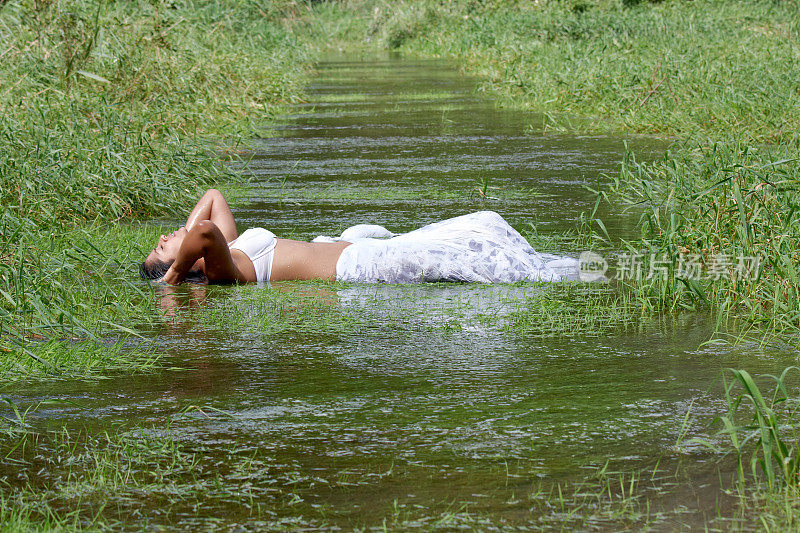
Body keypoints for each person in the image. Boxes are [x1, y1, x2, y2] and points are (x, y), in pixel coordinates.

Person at [140, 189, 579, 285]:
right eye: (160, 247)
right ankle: (590, 271)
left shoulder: (229, 250)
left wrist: (174, 255)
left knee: (478, 229)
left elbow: (212, 199)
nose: (165, 235)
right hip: (355, 268)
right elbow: (202, 230)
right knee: (472, 260)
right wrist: (172, 276)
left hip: (361, 251)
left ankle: (570, 266)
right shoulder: (224, 270)